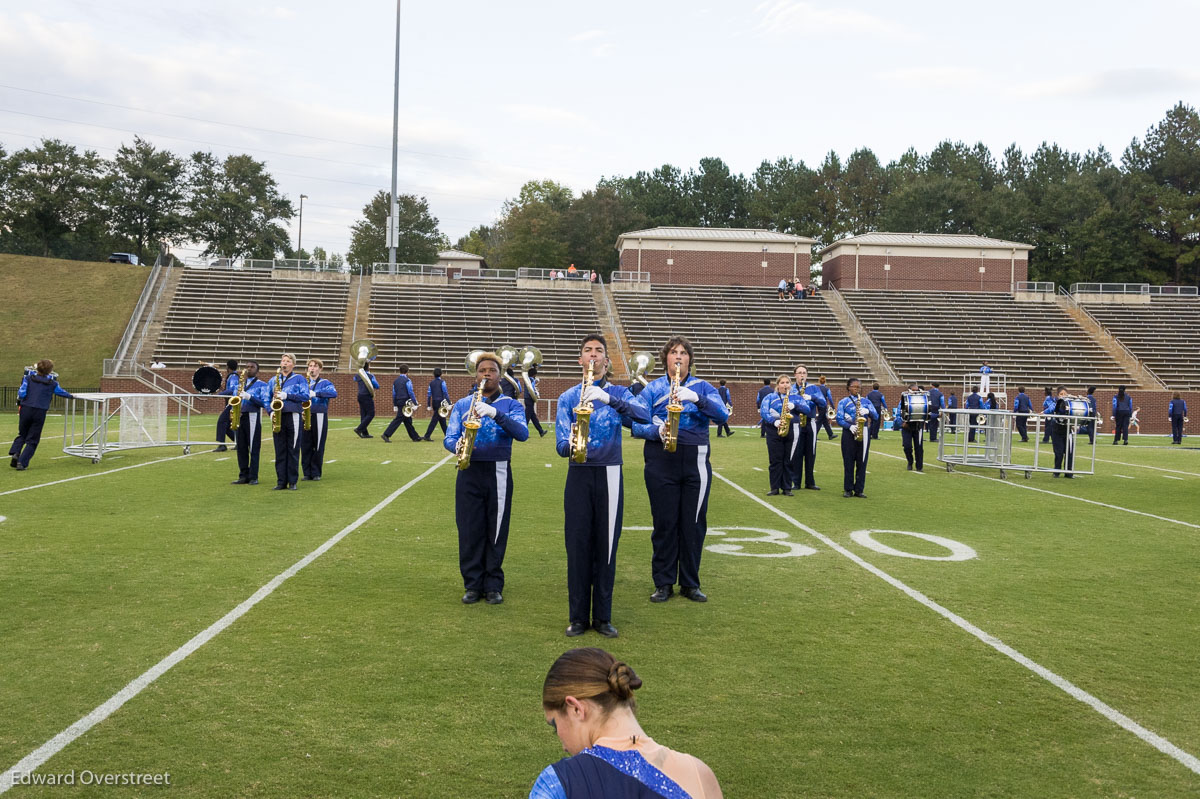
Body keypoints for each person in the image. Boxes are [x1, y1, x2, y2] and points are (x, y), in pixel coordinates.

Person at [531, 647, 723, 799]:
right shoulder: (701, 775)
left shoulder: (557, 783)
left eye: (555, 725)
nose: (563, 745)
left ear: (576, 709)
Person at [555, 334, 649, 638]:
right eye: (587, 351)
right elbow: (558, 442)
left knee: (606, 547)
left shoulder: (619, 392)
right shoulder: (568, 397)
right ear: (580, 360)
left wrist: (610, 399)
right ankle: (578, 617)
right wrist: (569, 445)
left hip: (609, 473)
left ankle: (603, 616)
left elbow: (644, 416)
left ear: (607, 362)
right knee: (578, 546)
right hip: (579, 474)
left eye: (599, 351)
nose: (593, 356)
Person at [629, 336, 729, 604]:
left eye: (684, 353)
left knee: (693, 524)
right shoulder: (651, 389)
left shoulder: (703, 387)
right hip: (660, 459)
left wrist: (697, 399)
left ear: (689, 360)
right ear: (666, 358)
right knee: (664, 523)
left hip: (695, 459)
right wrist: (656, 429)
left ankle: (690, 582)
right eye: (674, 352)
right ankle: (663, 582)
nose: (678, 357)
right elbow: (634, 424)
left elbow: (722, 416)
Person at [444, 352, 529, 605]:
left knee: (496, 529)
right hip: (468, 470)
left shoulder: (511, 405)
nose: (486, 375)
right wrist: (456, 445)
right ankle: (472, 584)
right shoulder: (462, 404)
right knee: (469, 529)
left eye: (492, 370)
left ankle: (493, 584)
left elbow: (522, 433)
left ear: (500, 375)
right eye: (482, 371)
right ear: (475, 374)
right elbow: (449, 437)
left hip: (498, 470)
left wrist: (494, 413)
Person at [9, 360, 73, 471]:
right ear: (50, 371)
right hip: (40, 410)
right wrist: (71, 396)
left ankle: (16, 452)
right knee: (33, 438)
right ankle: (22, 462)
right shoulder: (52, 383)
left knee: (22, 433)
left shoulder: (28, 379)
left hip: (26, 408)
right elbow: (61, 392)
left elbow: (22, 393)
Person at [268, 353, 309, 490]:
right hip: (278, 416)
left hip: (293, 415)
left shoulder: (299, 379)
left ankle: (292, 481)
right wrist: (270, 411)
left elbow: (305, 396)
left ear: (293, 364)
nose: (284, 363)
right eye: (283, 361)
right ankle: (281, 482)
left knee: (292, 449)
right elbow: (266, 398)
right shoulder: (274, 380)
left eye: (287, 361)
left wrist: (287, 395)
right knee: (279, 450)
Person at [231, 361, 269, 485]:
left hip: (253, 416)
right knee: (241, 448)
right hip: (240, 416)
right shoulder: (239, 384)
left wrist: (249, 397)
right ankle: (243, 475)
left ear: (257, 370)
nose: (249, 369)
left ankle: (253, 476)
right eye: (247, 367)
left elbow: (264, 402)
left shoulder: (262, 385)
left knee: (253, 447)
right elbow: (233, 400)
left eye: (252, 367)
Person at [837, 378, 878, 498]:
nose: (856, 389)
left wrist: (868, 410)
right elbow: (839, 418)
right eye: (854, 387)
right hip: (849, 432)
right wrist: (849, 426)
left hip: (864, 431)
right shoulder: (843, 402)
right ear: (849, 388)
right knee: (848, 461)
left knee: (862, 461)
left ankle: (859, 489)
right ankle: (848, 489)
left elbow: (875, 416)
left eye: (858, 387)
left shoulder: (866, 401)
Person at [789, 365, 826, 491]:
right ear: (795, 375)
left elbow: (823, 403)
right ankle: (796, 481)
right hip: (796, 422)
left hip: (810, 422)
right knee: (796, 453)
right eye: (799, 373)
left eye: (804, 373)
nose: (802, 375)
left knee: (811, 452)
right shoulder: (791, 389)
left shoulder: (813, 388)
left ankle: (810, 482)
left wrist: (812, 398)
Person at [301, 358, 337, 480]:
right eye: (310, 366)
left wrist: (316, 393)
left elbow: (333, 393)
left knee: (318, 444)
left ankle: (316, 472)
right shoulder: (303, 382)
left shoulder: (325, 382)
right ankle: (306, 472)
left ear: (320, 369)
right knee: (305, 444)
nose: (312, 368)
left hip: (319, 414)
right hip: (305, 415)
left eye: (315, 366)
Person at [760, 375, 796, 496]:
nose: (785, 385)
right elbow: (764, 411)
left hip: (789, 429)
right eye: (782, 383)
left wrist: (795, 405)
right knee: (775, 460)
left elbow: (807, 408)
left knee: (788, 460)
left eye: (787, 383)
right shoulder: (769, 397)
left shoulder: (794, 397)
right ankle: (774, 487)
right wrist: (773, 421)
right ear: (777, 385)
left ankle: (787, 487)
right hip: (773, 430)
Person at [382, 364, 422, 443]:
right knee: (399, 419)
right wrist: (415, 403)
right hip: (405, 402)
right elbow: (410, 392)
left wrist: (395, 404)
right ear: (407, 371)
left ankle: (415, 437)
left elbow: (394, 393)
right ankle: (386, 434)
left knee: (408, 420)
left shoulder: (395, 381)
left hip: (398, 401)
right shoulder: (408, 381)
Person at [899, 382, 926, 472]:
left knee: (919, 447)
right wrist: (903, 422)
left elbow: (926, 410)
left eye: (916, 391)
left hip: (918, 426)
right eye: (913, 391)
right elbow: (899, 413)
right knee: (907, 446)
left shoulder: (922, 399)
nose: (915, 392)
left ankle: (919, 466)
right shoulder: (904, 399)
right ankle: (910, 462)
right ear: (909, 390)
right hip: (907, 426)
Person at [1049, 386, 1075, 478]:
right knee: (1059, 452)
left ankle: (1068, 472)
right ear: (1058, 395)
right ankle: (1057, 471)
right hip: (1056, 430)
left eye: (1065, 394)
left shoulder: (1070, 404)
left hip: (1067, 431)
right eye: (1061, 394)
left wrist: (1075, 425)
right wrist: (1043, 412)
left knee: (1069, 452)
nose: (1063, 396)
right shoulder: (1056, 403)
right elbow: (1050, 409)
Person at [214, 359, 239, 451]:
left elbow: (232, 390)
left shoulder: (233, 377)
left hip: (232, 403)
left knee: (221, 422)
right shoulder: (232, 376)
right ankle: (239, 442)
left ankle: (222, 445)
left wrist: (219, 395)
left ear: (228, 367)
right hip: (231, 403)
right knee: (228, 425)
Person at [353, 362, 380, 438]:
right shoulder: (370, 376)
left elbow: (354, 378)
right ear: (368, 367)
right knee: (371, 414)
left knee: (363, 414)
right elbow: (377, 386)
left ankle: (365, 433)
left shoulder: (358, 375)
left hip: (360, 395)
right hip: (367, 396)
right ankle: (359, 429)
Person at [423, 368, 450, 441]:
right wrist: (449, 403)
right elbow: (445, 392)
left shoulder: (431, 383)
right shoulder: (442, 382)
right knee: (435, 420)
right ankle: (427, 435)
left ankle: (448, 435)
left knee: (442, 419)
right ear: (441, 374)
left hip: (434, 402)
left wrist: (428, 405)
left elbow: (429, 394)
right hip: (440, 402)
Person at [523, 365, 547, 438]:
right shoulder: (531, 380)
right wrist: (536, 394)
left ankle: (541, 431)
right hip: (529, 399)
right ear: (534, 375)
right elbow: (532, 389)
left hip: (528, 399)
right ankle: (523, 432)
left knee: (533, 417)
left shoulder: (527, 379)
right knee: (527, 417)